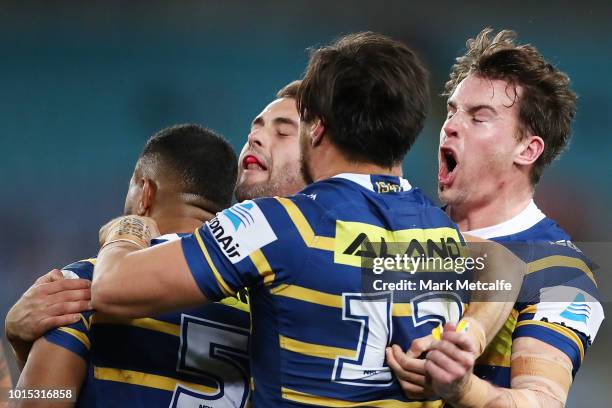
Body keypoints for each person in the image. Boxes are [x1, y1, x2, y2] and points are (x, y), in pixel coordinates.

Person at [91, 32, 524, 407]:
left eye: (289, 127)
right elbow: (504, 262)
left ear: (315, 127)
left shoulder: (278, 225)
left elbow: (111, 290)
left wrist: (124, 229)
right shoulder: (441, 236)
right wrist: (468, 336)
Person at [386, 28, 604, 408]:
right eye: (452, 110)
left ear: (527, 149)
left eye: (479, 117)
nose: (450, 125)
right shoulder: (400, 231)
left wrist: (461, 388)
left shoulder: (560, 273)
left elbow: (542, 400)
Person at [11, 124, 249, 407]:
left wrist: (19, 345)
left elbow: (37, 401)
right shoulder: (260, 298)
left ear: (145, 193)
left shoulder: (82, 285)